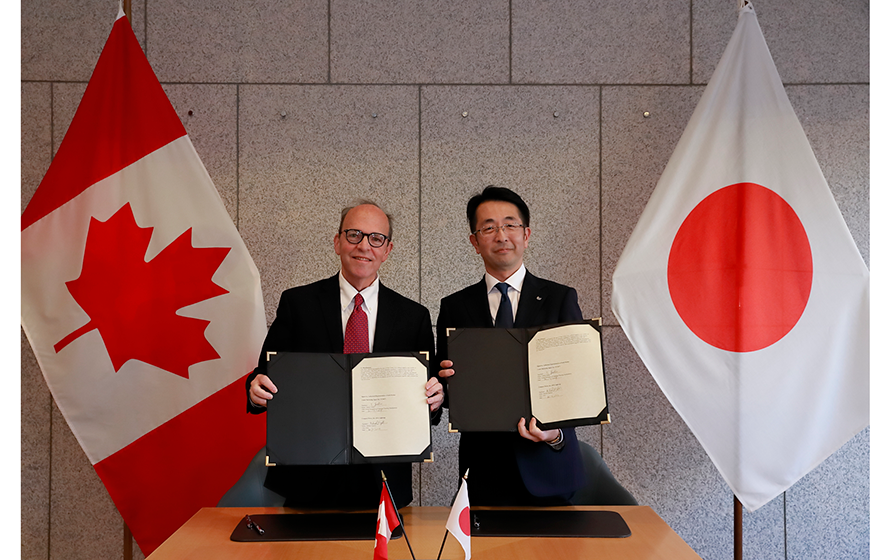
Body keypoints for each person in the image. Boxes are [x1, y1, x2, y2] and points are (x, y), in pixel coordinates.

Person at [246, 201, 444, 508]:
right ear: (337, 242)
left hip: (384, 482)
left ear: (387, 249)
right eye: (354, 235)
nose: (364, 245)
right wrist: (255, 390)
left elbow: (427, 404)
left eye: (376, 238)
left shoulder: (413, 316)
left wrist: (434, 400)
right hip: (308, 481)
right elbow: (265, 376)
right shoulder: (298, 304)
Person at [436, 186, 585, 506]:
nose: (501, 235)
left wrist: (555, 433)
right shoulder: (454, 308)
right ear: (475, 242)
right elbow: (446, 394)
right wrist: (446, 383)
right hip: (483, 472)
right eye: (488, 227)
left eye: (510, 225)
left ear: (526, 234)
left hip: (549, 466)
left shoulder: (560, 299)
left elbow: (578, 383)